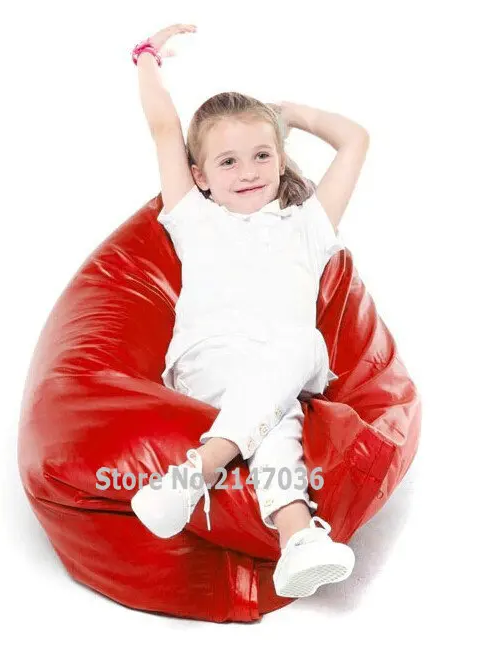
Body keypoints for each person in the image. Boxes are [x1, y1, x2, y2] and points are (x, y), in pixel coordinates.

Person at [128, 24, 370, 598]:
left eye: (262, 155)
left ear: (281, 160)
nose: (248, 171)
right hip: (209, 362)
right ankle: (297, 535)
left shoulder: (307, 224)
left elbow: (355, 140)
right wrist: (146, 57)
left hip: (283, 361)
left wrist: (290, 115)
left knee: (291, 365)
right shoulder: (194, 215)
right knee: (278, 408)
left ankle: (198, 475)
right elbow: (164, 127)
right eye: (228, 162)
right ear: (201, 177)